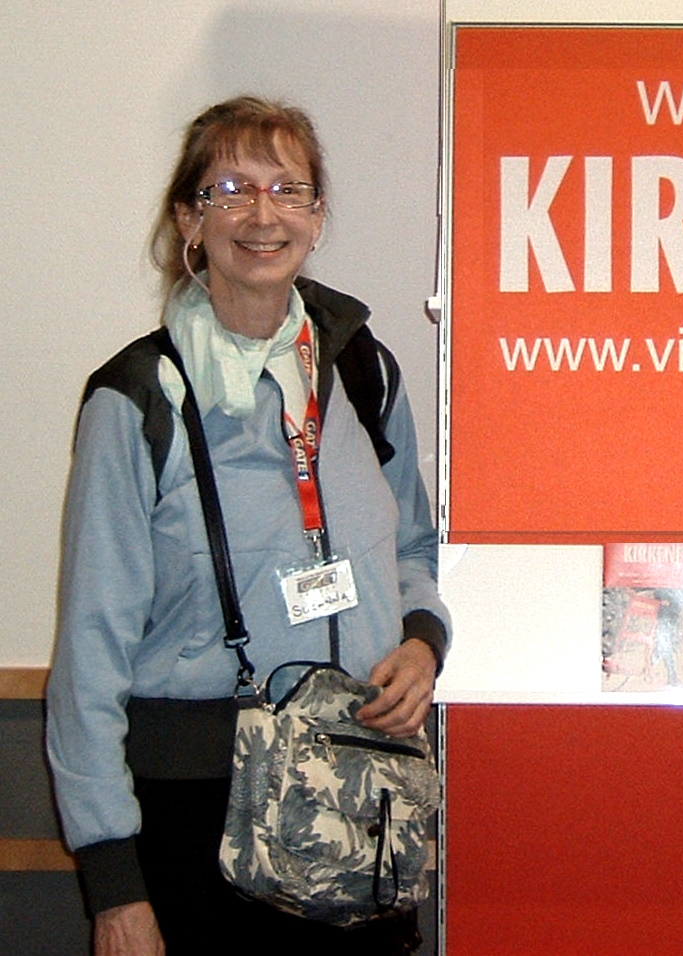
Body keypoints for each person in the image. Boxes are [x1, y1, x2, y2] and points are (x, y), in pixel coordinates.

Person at [45, 96, 450, 955]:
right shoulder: (136, 399)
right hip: (200, 814)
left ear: (316, 217)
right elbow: (90, 652)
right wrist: (115, 887)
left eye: (287, 189)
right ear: (189, 220)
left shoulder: (362, 369)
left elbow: (413, 546)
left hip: (359, 786)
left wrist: (421, 642)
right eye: (230, 189)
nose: (263, 214)